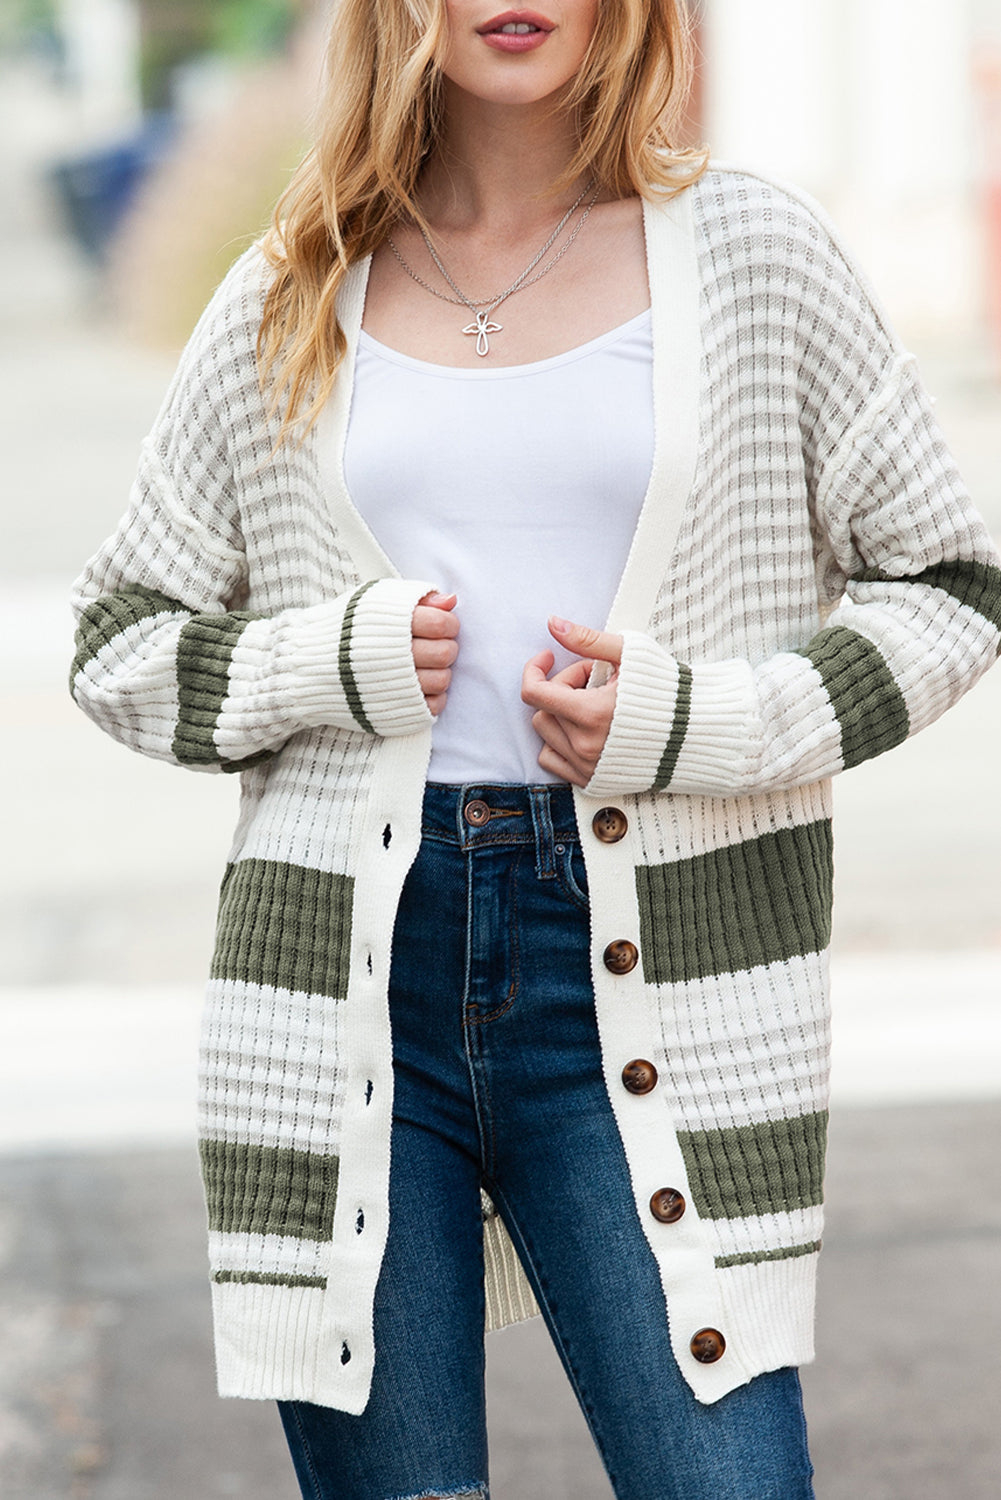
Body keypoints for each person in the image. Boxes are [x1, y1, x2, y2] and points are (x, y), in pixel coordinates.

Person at [69, 1, 1001, 1496]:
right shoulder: (292, 288)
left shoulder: (753, 256)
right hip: (348, 992)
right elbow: (116, 641)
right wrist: (334, 663)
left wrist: (696, 722)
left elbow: (952, 589)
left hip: (651, 976)